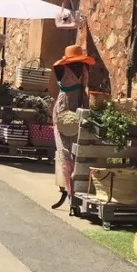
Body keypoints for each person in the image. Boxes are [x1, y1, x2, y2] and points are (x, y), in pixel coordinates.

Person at [51, 44, 95, 208]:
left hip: (80, 106)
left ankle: (78, 187)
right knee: (65, 150)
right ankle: (69, 188)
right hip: (65, 109)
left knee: (79, 147)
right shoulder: (61, 69)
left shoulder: (83, 67)